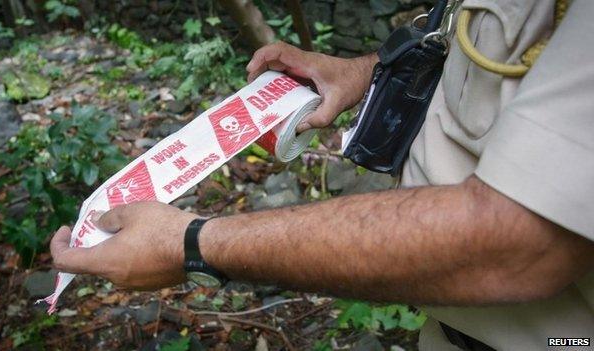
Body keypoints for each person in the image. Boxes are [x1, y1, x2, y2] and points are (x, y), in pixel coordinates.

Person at [50, 0, 594, 349]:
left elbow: (515, 241)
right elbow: (483, 33)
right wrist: (367, 71)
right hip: (455, 331)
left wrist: (191, 243)